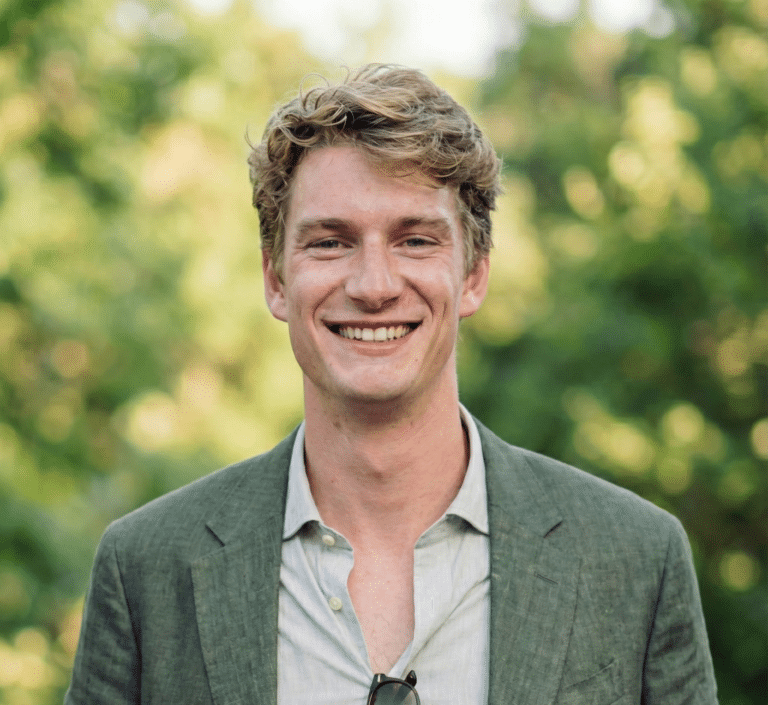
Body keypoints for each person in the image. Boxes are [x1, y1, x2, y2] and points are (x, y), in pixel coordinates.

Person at [65, 64, 718, 705]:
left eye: (414, 240)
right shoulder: (146, 567)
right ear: (275, 279)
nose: (374, 285)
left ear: (473, 274)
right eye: (330, 242)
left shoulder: (635, 558)